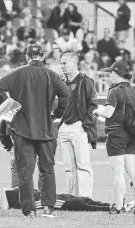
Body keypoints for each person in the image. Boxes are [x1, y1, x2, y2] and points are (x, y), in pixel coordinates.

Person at [0, 44, 70, 218]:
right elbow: (66, 95)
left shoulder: (18, 73)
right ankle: (48, 207)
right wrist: (56, 114)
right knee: (47, 169)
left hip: (22, 129)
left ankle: (29, 210)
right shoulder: (52, 74)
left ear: (27, 57)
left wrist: (9, 106)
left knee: (25, 172)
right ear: (42, 57)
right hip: (46, 130)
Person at [93, 60, 135, 214]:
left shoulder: (115, 91)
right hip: (132, 134)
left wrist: (97, 111)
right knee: (132, 169)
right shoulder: (133, 89)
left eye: (111, 72)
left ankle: (119, 207)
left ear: (117, 73)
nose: (110, 75)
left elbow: (109, 113)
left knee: (118, 172)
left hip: (117, 134)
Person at [58, 52, 98, 198]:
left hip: (78, 125)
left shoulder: (85, 81)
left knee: (83, 164)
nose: (62, 66)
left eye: (65, 63)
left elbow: (93, 105)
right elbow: (61, 106)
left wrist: (84, 123)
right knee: (68, 167)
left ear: (75, 64)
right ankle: (72, 197)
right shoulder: (62, 82)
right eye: (61, 63)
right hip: (64, 127)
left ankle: (85, 197)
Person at [0, 183, 112, 212]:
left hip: (38, 195)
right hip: (37, 201)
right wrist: (3, 190)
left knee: (74, 198)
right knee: (71, 203)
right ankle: (106, 208)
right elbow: (4, 207)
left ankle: (110, 205)